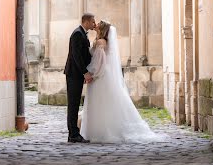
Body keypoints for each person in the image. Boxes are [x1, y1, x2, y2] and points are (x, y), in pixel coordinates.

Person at [80, 19, 157, 143]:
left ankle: (102, 131)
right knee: (105, 102)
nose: (96, 24)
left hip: (101, 76)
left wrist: (92, 75)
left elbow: (99, 62)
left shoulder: (101, 42)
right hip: (105, 74)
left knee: (101, 103)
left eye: (98, 23)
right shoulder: (102, 41)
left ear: (102, 29)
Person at [64, 13, 96, 143]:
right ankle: (73, 134)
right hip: (73, 74)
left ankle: (74, 133)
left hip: (77, 74)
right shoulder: (77, 33)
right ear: (86, 21)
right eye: (92, 21)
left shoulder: (82, 33)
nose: (94, 24)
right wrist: (85, 72)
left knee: (75, 103)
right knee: (73, 104)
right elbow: (76, 56)